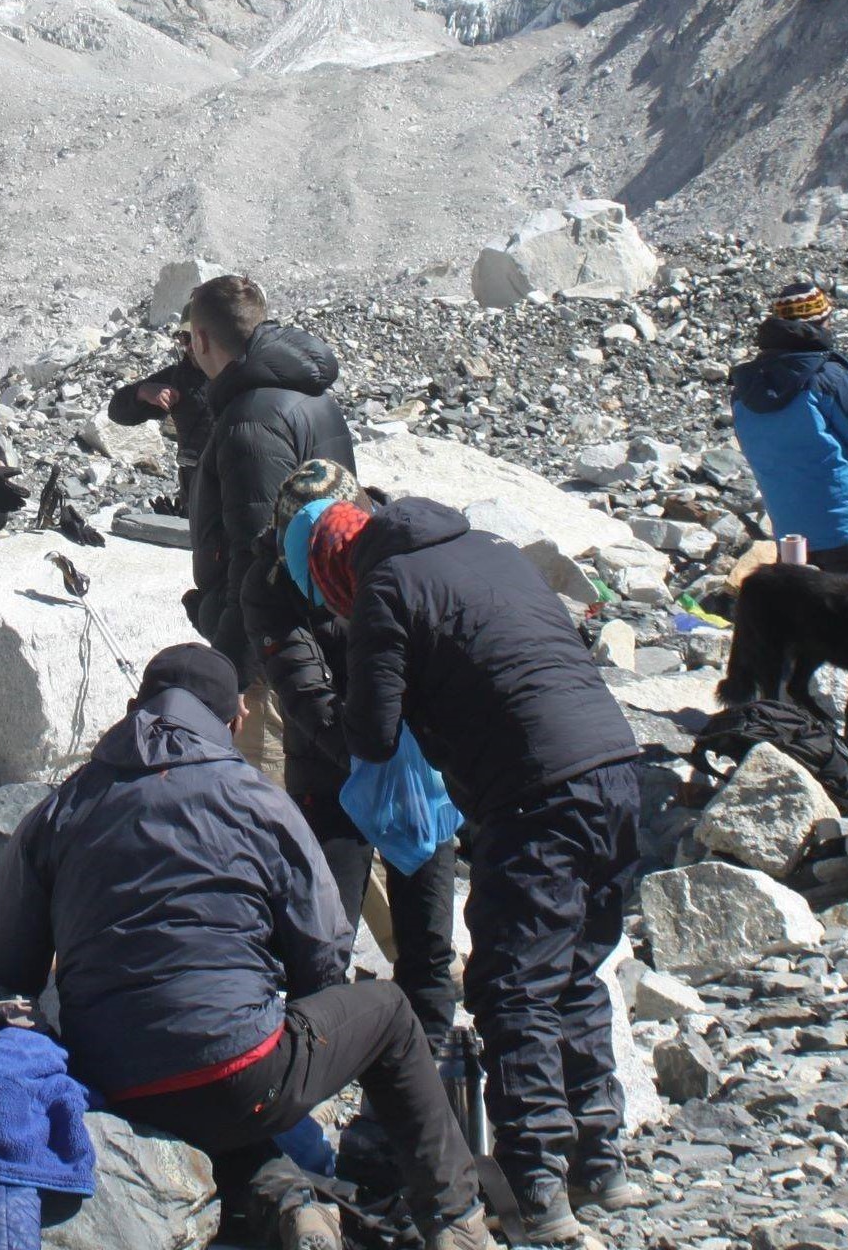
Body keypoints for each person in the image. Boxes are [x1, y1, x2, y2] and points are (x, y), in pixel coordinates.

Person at [0, 644, 494, 1250]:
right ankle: (455, 1217)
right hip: (239, 1070)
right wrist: (291, 1020)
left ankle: (289, 1203)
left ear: (134, 708)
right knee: (387, 1014)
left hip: (112, 1081)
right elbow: (324, 950)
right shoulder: (256, 797)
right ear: (234, 722)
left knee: (192, 1096)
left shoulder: (63, 805)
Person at [316, 496, 645, 1246]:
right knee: (573, 971)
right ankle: (600, 1160)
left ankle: (536, 1185)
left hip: (534, 792)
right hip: (617, 770)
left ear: (342, 570)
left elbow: (373, 732)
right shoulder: (493, 546)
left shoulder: (385, 586)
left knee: (511, 986)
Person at [244, 461, 456, 1050]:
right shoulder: (271, 582)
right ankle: (324, 1052)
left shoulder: (395, 550)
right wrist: (372, 756)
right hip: (331, 765)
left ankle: (430, 1050)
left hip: (418, 764)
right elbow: (305, 692)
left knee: (427, 929)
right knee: (324, 931)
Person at [187, 274, 354, 772]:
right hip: (323, 624)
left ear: (201, 339)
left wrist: (233, 674)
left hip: (273, 648)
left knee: (262, 784)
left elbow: (255, 555)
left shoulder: (250, 420)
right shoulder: (312, 394)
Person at [729, 281, 848, 574]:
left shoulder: (744, 387)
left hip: (788, 526)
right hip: (844, 521)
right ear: (822, 322)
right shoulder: (826, 375)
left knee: (803, 600)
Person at [107, 312, 214, 512]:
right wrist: (141, 393)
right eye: (185, 338)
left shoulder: (246, 376)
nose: (190, 347)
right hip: (196, 495)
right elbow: (117, 412)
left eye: (197, 339)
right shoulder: (180, 378)